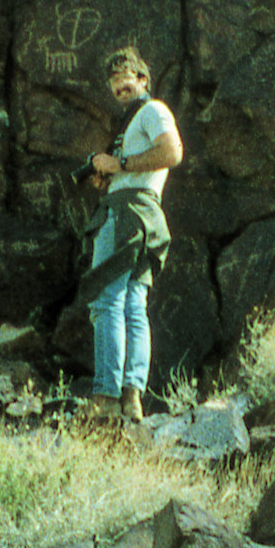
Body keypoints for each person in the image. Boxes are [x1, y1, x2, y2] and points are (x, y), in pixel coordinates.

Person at [81, 46, 183, 422]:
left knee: (108, 298)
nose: (117, 85)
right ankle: (131, 397)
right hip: (147, 216)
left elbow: (173, 152)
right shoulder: (130, 124)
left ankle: (106, 395)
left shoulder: (153, 110)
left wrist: (119, 165)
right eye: (112, 80)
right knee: (132, 305)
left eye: (125, 75)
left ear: (143, 78)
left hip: (127, 213)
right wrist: (108, 173)